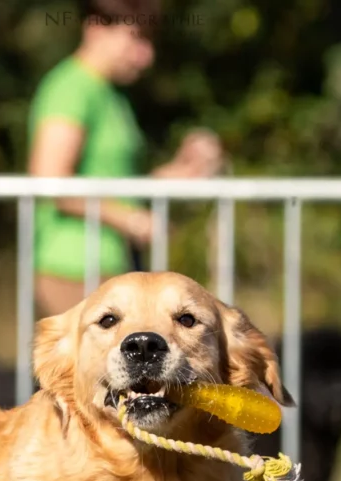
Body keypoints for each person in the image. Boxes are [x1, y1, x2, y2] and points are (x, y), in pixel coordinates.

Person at [28, 0, 224, 318]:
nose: (146, 55)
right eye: (137, 38)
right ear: (96, 27)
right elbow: (50, 180)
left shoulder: (111, 95)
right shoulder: (71, 88)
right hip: (72, 266)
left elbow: (116, 183)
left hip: (109, 266)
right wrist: (131, 220)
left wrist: (181, 172)